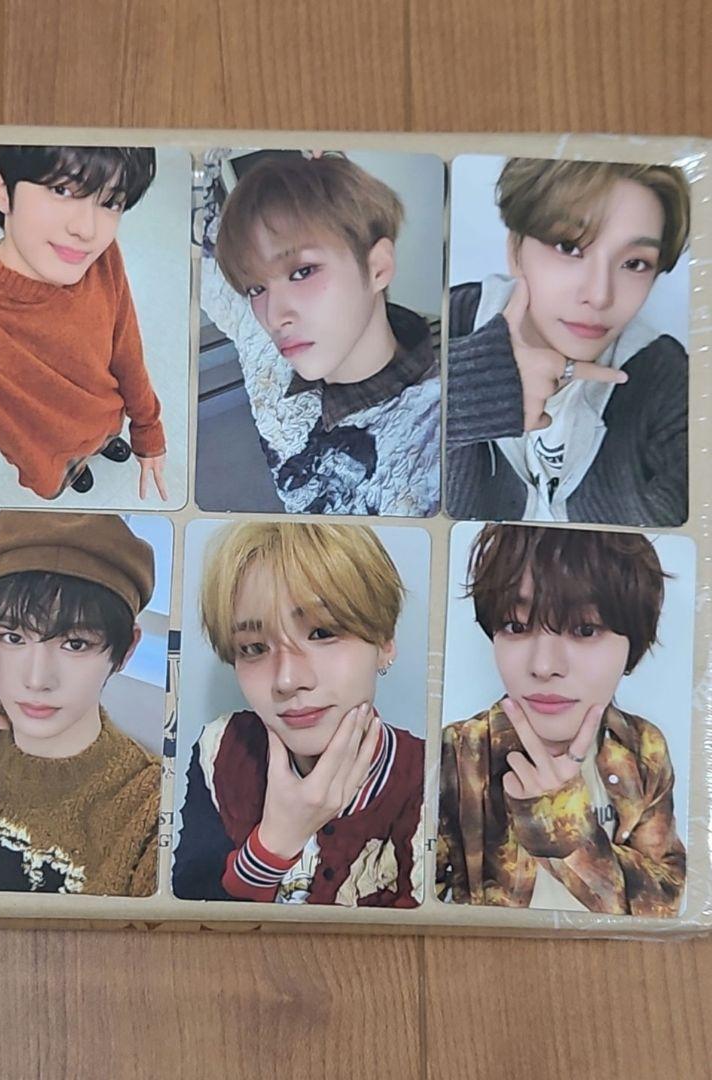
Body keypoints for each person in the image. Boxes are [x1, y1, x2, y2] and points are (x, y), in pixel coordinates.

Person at [436, 524, 686, 916]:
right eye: (516, 626)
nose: (544, 665)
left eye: (585, 629)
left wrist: (561, 826)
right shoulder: (456, 754)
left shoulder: (642, 747)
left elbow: (664, 902)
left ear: (632, 643)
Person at [0, 510, 161, 895]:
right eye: (13, 638)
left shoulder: (150, 806)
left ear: (126, 650)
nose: (37, 680)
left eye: (75, 644)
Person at [173, 521, 425, 906]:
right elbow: (189, 915)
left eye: (322, 632)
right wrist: (273, 844)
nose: (287, 680)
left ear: (384, 641)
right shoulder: (222, 751)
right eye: (255, 648)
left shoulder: (436, 777)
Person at [445, 158, 691, 526]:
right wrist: (472, 389)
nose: (600, 295)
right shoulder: (445, 325)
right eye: (569, 246)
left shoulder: (668, 376)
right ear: (515, 249)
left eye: (635, 264)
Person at [212, 152, 440, 516]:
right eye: (256, 288)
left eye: (302, 272)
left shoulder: (437, 439)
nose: (274, 316)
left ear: (378, 268)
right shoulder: (262, 344)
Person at [0, 144, 168, 503]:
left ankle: (103, 445)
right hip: (50, 460)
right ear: (3, 190)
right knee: (66, 473)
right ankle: (76, 470)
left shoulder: (100, 257)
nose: (86, 229)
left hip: (107, 418)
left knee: (106, 438)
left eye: (110, 202)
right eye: (62, 189)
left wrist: (147, 427)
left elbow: (126, 349)